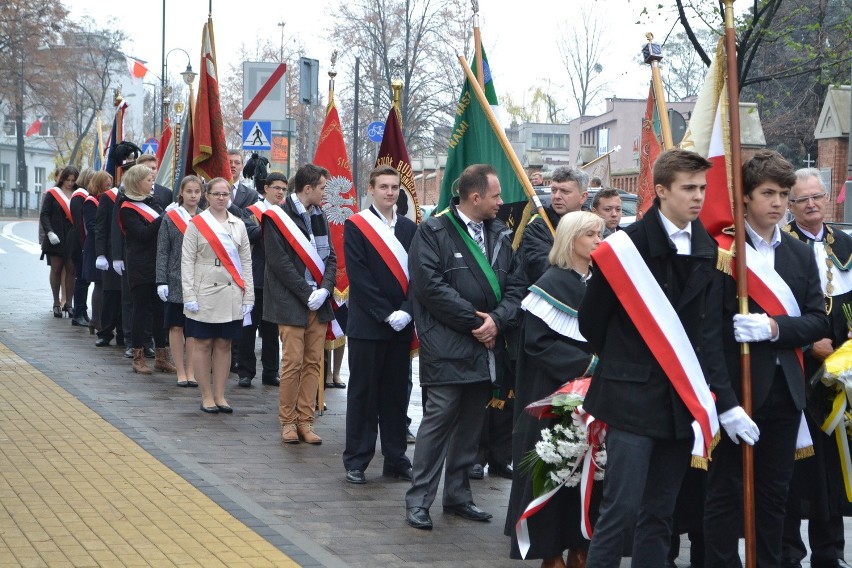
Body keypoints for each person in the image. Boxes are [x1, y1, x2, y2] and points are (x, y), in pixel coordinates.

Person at [578, 149, 731, 568]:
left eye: (702, 188)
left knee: (661, 513)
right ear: (661, 191)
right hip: (631, 397)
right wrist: (633, 359)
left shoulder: (710, 250)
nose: (697, 197)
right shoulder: (625, 248)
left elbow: (708, 331)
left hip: (679, 400)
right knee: (620, 511)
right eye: (688, 188)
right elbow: (592, 322)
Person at [704, 152, 829, 567]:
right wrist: (725, 403)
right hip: (737, 393)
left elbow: (815, 321)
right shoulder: (723, 251)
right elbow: (706, 334)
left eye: (783, 194)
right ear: (744, 198)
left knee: (776, 495)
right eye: (767, 193)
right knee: (726, 493)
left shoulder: (798, 253)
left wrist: (775, 328)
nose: (777, 202)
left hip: (786, 391)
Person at [404, 163, 524, 531]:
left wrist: (498, 321)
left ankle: (457, 496)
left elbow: (518, 286)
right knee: (438, 423)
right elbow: (430, 288)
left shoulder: (501, 233)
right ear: (475, 197)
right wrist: (479, 323)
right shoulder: (434, 232)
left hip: (487, 347)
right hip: (447, 345)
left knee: (472, 424)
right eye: (496, 196)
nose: (501, 203)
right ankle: (419, 500)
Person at [506, 211, 603, 568]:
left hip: (595, 397)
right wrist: (588, 365)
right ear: (571, 239)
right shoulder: (549, 284)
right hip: (554, 397)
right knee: (554, 469)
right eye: (591, 234)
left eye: (600, 234)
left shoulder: (600, 283)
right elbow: (538, 343)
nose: (598, 240)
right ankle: (551, 551)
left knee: (591, 471)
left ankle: (582, 544)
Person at [781, 168, 852, 568]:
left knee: (833, 466)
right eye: (802, 199)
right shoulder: (782, 247)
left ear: (828, 199)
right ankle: (789, 553)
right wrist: (809, 344)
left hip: (839, 376)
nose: (811, 204)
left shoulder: (844, 244)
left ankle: (831, 552)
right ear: (790, 205)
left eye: (817, 197)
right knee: (796, 465)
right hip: (797, 371)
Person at [341, 165, 417, 484]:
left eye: (394, 187)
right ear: (370, 190)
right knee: (363, 394)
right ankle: (357, 460)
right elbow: (359, 277)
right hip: (369, 326)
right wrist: (387, 313)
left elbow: (420, 275)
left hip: (401, 326)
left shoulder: (410, 230)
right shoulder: (357, 226)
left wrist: (408, 310)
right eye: (383, 187)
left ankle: (396, 458)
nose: (390, 192)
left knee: (397, 395)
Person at [263, 163, 337, 444]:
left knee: (313, 363)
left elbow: (330, 257)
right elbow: (279, 262)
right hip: (292, 301)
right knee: (292, 363)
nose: (325, 193)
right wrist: (307, 293)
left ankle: (306, 421)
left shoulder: (321, 216)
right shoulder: (277, 216)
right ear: (308, 189)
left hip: (319, 302)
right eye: (322, 188)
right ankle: (288, 422)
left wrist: (326, 289)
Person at [181, 177, 254, 413]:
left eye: (225, 194)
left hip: (231, 291)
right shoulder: (197, 223)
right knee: (202, 343)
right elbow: (187, 261)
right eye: (216, 194)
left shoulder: (239, 224)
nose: (221, 198)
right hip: (204, 290)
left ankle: (220, 395)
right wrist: (189, 294)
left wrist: (249, 296)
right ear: (207, 196)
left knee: (224, 344)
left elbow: (245, 262)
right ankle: (206, 396)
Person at [119, 164, 174, 375]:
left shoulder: (154, 202)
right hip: (140, 265)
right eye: (148, 179)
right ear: (136, 182)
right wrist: (163, 217)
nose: (153, 183)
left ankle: (161, 358)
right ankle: (138, 357)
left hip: (158, 264)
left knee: (160, 311)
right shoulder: (126, 207)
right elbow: (142, 234)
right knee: (141, 311)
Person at [236, 173, 286, 388]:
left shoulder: (286, 213)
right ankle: (245, 372)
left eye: (284, 188)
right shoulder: (251, 210)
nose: (280, 192)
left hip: (277, 280)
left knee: (271, 330)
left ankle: (271, 372)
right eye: (276, 188)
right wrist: (272, 224)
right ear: (266, 188)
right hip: (255, 277)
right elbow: (249, 233)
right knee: (248, 328)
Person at [156, 176, 203, 388]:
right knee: (176, 326)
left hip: (199, 279)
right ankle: (180, 371)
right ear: (181, 193)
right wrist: (161, 280)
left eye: (197, 191)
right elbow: (163, 251)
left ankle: (192, 370)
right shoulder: (171, 217)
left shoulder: (206, 218)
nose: (193, 195)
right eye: (189, 191)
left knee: (192, 328)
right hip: (175, 278)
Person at [520, 166, 589, 283]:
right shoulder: (538, 226)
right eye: (554, 190)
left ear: (583, 197)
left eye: (565, 191)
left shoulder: (596, 226)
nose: (557, 196)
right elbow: (543, 267)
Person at [41, 166, 79, 318]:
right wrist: (49, 231)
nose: (70, 183)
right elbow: (44, 214)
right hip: (55, 237)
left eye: (73, 180)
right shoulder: (53, 194)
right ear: (62, 178)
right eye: (67, 180)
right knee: (56, 269)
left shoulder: (78, 193)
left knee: (71, 270)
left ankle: (69, 304)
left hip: (72, 237)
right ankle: (56, 302)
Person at [81, 172, 112, 339]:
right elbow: (92, 226)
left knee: (104, 284)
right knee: (99, 283)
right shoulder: (91, 201)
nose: (109, 187)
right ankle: (96, 319)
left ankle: (99, 320)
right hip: (95, 247)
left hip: (103, 245)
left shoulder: (104, 199)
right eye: (106, 184)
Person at [94, 173, 122, 347]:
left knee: (128, 298)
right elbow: (101, 227)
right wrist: (101, 254)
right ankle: (105, 332)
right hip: (112, 254)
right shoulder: (109, 197)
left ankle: (124, 333)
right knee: (111, 294)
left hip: (131, 254)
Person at [69, 168, 93, 327]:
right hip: (79, 242)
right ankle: (78, 313)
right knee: (81, 279)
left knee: (84, 279)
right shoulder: (79, 196)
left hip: (81, 241)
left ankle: (82, 311)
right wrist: (84, 245)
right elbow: (79, 223)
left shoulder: (82, 195)